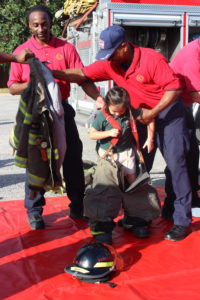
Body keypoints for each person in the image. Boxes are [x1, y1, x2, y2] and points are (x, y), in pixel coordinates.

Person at [52, 25, 193, 241]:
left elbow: (175, 88)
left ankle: (182, 220)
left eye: (111, 53)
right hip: (141, 118)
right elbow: (82, 73)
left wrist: (152, 113)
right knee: (136, 169)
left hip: (168, 115)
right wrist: (50, 73)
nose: (107, 59)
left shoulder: (152, 59)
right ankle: (137, 217)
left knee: (177, 165)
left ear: (124, 47)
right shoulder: (111, 63)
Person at [7, 5, 104, 230]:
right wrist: (34, 83)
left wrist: (98, 98)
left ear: (51, 23)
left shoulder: (66, 48)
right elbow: (12, 87)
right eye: (36, 25)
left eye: (44, 23)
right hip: (35, 115)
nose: (41, 28)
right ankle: (34, 211)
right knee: (36, 163)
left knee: (71, 159)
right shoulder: (21, 52)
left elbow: (82, 77)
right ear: (29, 26)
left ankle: (78, 208)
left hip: (62, 111)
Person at [87, 86, 155, 244]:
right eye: (114, 111)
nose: (118, 114)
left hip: (127, 154)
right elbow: (92, 134)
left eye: (121, 111)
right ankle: (102, 226)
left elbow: (150, 117)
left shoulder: (130, 111)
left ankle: (135, 219)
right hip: (108, 156)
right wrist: (108, 133)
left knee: (134, 185)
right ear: (108, 104)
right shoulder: (101, 116)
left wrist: (150, 138)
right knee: (107, 188)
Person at [164, 38, 200, 219]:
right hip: (171, 107)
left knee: (192, 153)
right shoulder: (193, 56)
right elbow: (197, 95)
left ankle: (193, 198)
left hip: (183, 105)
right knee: (178, 158)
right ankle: (171, 208)